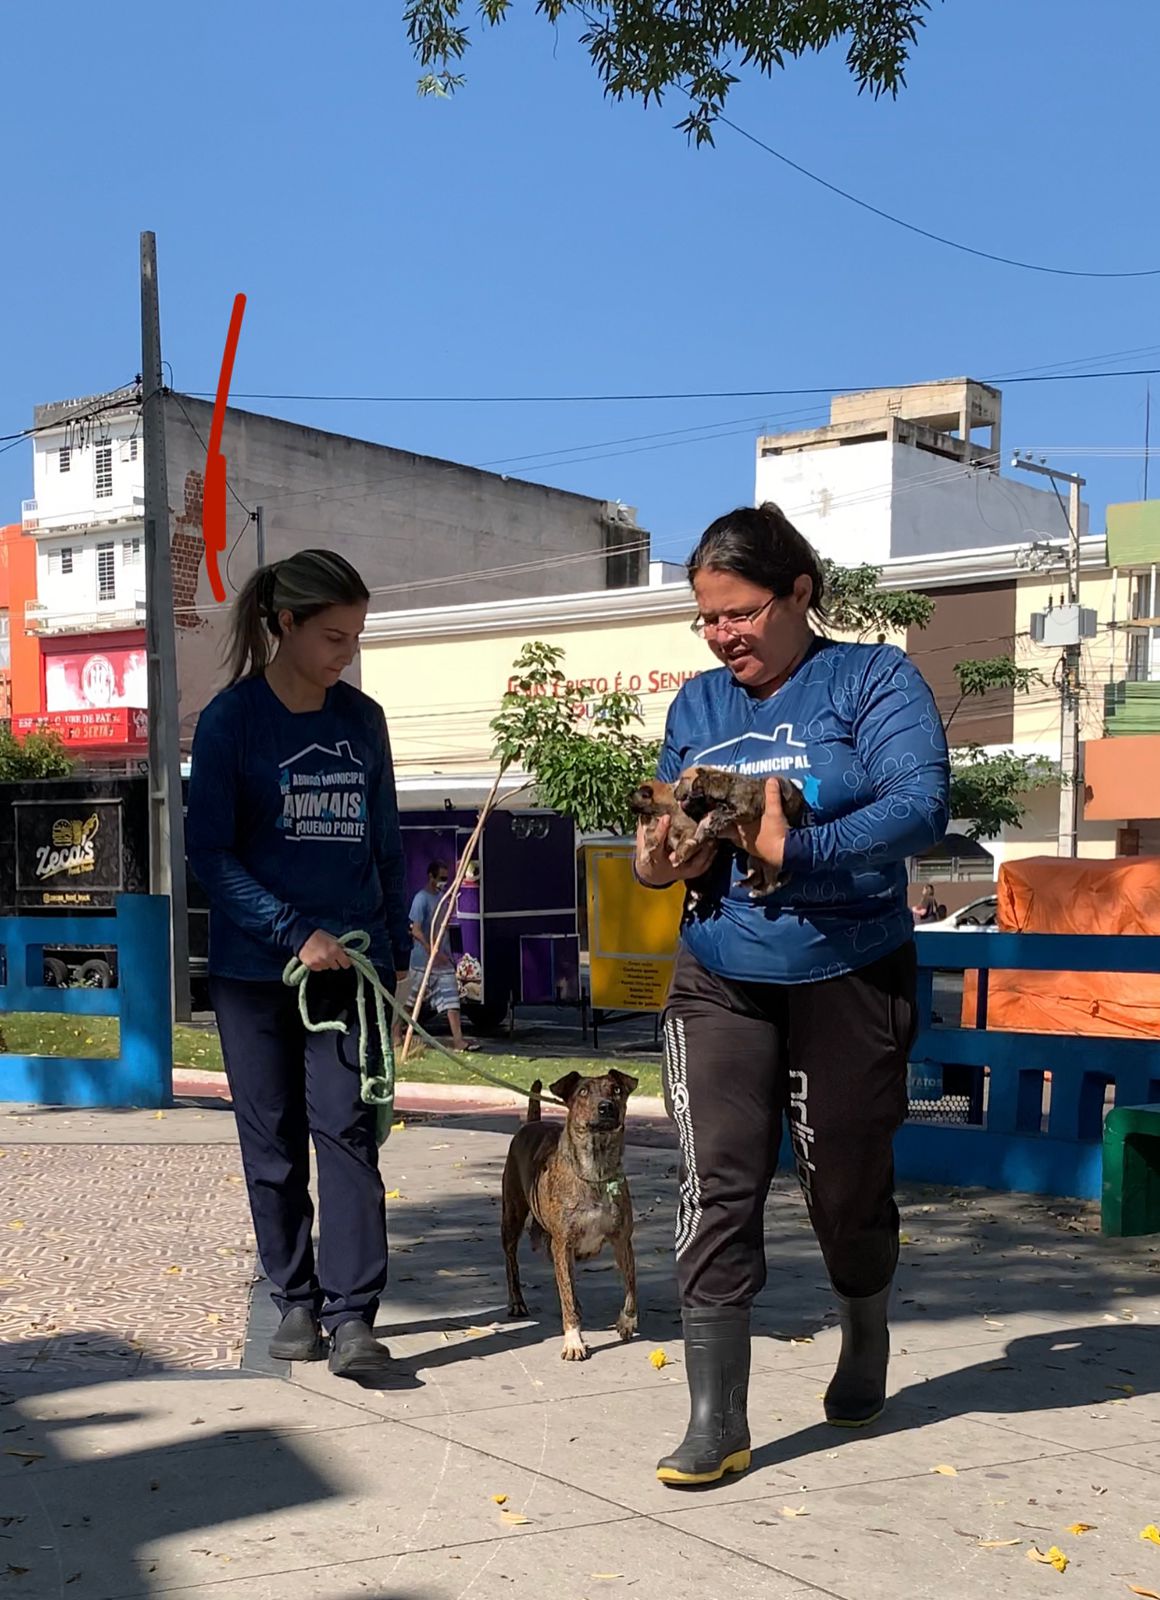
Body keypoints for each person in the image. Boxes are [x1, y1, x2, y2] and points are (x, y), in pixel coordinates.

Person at [635, 503, 949, 1487]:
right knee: (713, 1185)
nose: (722, 635)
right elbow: (667, 824)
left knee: (843, 1188)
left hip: (846, 971)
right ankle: (713, 1417)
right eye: (706, 619)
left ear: (797, 593)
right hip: (720, 974)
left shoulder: (870, 679)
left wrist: (796, 845)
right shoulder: (695, 703)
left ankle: (864, 1329)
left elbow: (918, 802)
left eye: (739, 613)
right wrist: (661, 853)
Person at [186, 550, 412, 1383]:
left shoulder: (364, 720)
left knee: (349, 1134)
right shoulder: (231, 722)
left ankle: (354, 1315)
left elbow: (385, 847)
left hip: (349, 973)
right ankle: (295, 1298)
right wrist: (290, 930)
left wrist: (391, 962)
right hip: (257, 973)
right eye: (331, 635)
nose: (345, 652)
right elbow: (207, 851)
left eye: (354, 636)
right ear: (283, 625)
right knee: (272, 1143)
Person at [401, 862, 479, 1052]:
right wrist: (431, 950)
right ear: (431, 877)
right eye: (441, 878)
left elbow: (442, 929)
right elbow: (416, 930)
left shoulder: (443, 899)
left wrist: (447, 955)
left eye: (446, 878)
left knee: (452, 999)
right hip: (422, 961)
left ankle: (458, 1041)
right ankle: (395, 1033)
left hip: (442, 962)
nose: (444, 882)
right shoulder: (421, 899)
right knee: (410, 1003)